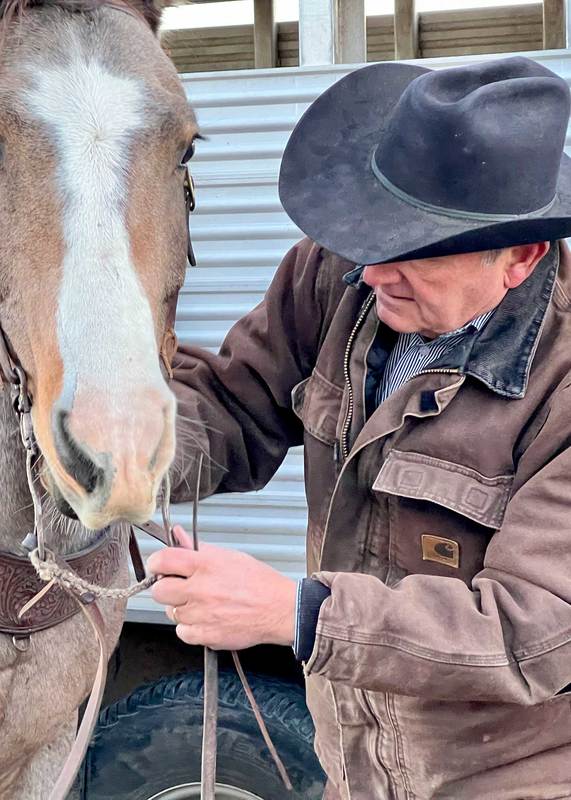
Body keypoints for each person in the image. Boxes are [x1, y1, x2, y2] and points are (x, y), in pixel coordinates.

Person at [147, 56, 571, 799]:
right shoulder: (334, 276)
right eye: (369, 237)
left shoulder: (559, 384)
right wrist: (129, 439)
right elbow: (233, 410)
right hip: (352, 766)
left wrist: (295, 613)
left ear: (520, 255)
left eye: (411, 249)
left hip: (504, 780)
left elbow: (530, 632)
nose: (372, 273)